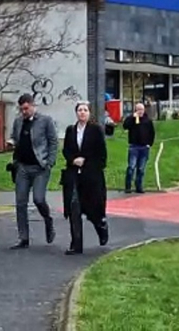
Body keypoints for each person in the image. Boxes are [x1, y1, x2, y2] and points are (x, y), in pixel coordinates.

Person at [8, 93, 58, 250]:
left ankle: (48, 220)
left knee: (38, 199)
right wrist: (11, 142)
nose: (24, 112)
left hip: (39, 167)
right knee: (20, 203)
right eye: (21, 109)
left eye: (26, 108)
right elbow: (15, 137)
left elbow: (53, 141)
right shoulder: (18, 122)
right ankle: (23, 238)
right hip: (23, 167)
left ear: (32, 105)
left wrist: (49, 162)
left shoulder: (45, 121)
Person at [61, 101, 109, 255]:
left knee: (93, 210)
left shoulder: (96, 130)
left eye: (85, 110)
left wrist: (86, 161)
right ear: (76, 113)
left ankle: (101, 227)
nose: (82, 112)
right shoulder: (71, 130)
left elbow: (101, 155)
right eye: (79, 110)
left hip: (91, 176)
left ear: (89, 113)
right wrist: (73, 160)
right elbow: (66, 150)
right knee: (74, 208)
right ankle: (76, 244)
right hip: (74, 175)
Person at [122, 103, 155, 194]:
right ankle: (128, 186)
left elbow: (152, 133)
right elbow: (125, 126)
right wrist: (132, 117)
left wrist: (149, 144)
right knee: (131, 167)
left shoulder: (147, 120)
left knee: (141, 169)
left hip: (144, 147)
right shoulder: (132, 119)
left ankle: (139, 186)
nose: (140, 111)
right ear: (135, 110)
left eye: (141, 109)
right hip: (134, 147)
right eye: (138, 109)